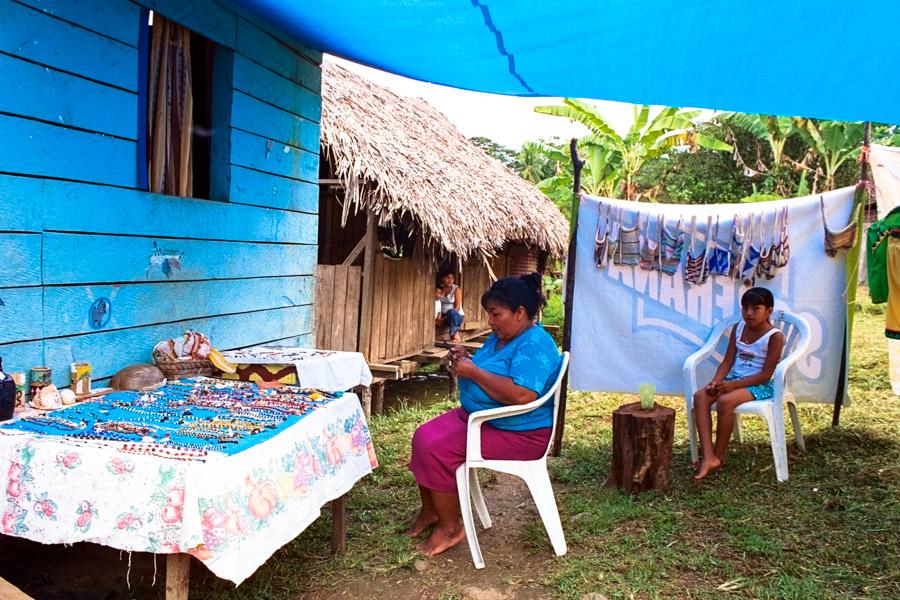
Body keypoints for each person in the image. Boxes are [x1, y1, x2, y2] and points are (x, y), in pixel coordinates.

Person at [408, 273, 561, 556]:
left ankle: (452, 527)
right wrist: (465, 357)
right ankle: (431, 511)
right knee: (422, 436)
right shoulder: (502, 336)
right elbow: (491, 366)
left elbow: (522, 395)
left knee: (436, 449)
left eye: (495, 314)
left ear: (520, 313)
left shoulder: (534, 344)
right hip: (486, 420)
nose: (490, 321)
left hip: (519, 432)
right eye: (489, 313)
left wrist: (474, 372)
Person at [692, 287, 785, 480]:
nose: (749, 313)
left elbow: (766, 375)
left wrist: (732, 386)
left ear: (769, 311)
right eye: (745, 308)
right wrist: (716, 381)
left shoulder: (774, 337)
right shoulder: (738, 328)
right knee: (701, 396)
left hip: (760, 385)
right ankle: (708, 456)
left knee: (725, 401)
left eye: (756, 308)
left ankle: (719, 455)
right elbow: (727, 361)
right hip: (734, 381)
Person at [434, 267, 465, 342]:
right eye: (447, 278)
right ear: (442, 278)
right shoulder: (439, 289)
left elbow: (457, 308)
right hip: (443, 316)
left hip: (456, 316)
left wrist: (442, 319)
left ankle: (453, 334)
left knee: (451, 312)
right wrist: (439, 318)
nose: (450, 280)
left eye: (452, 278)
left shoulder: (456, 289)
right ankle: (455, 333)